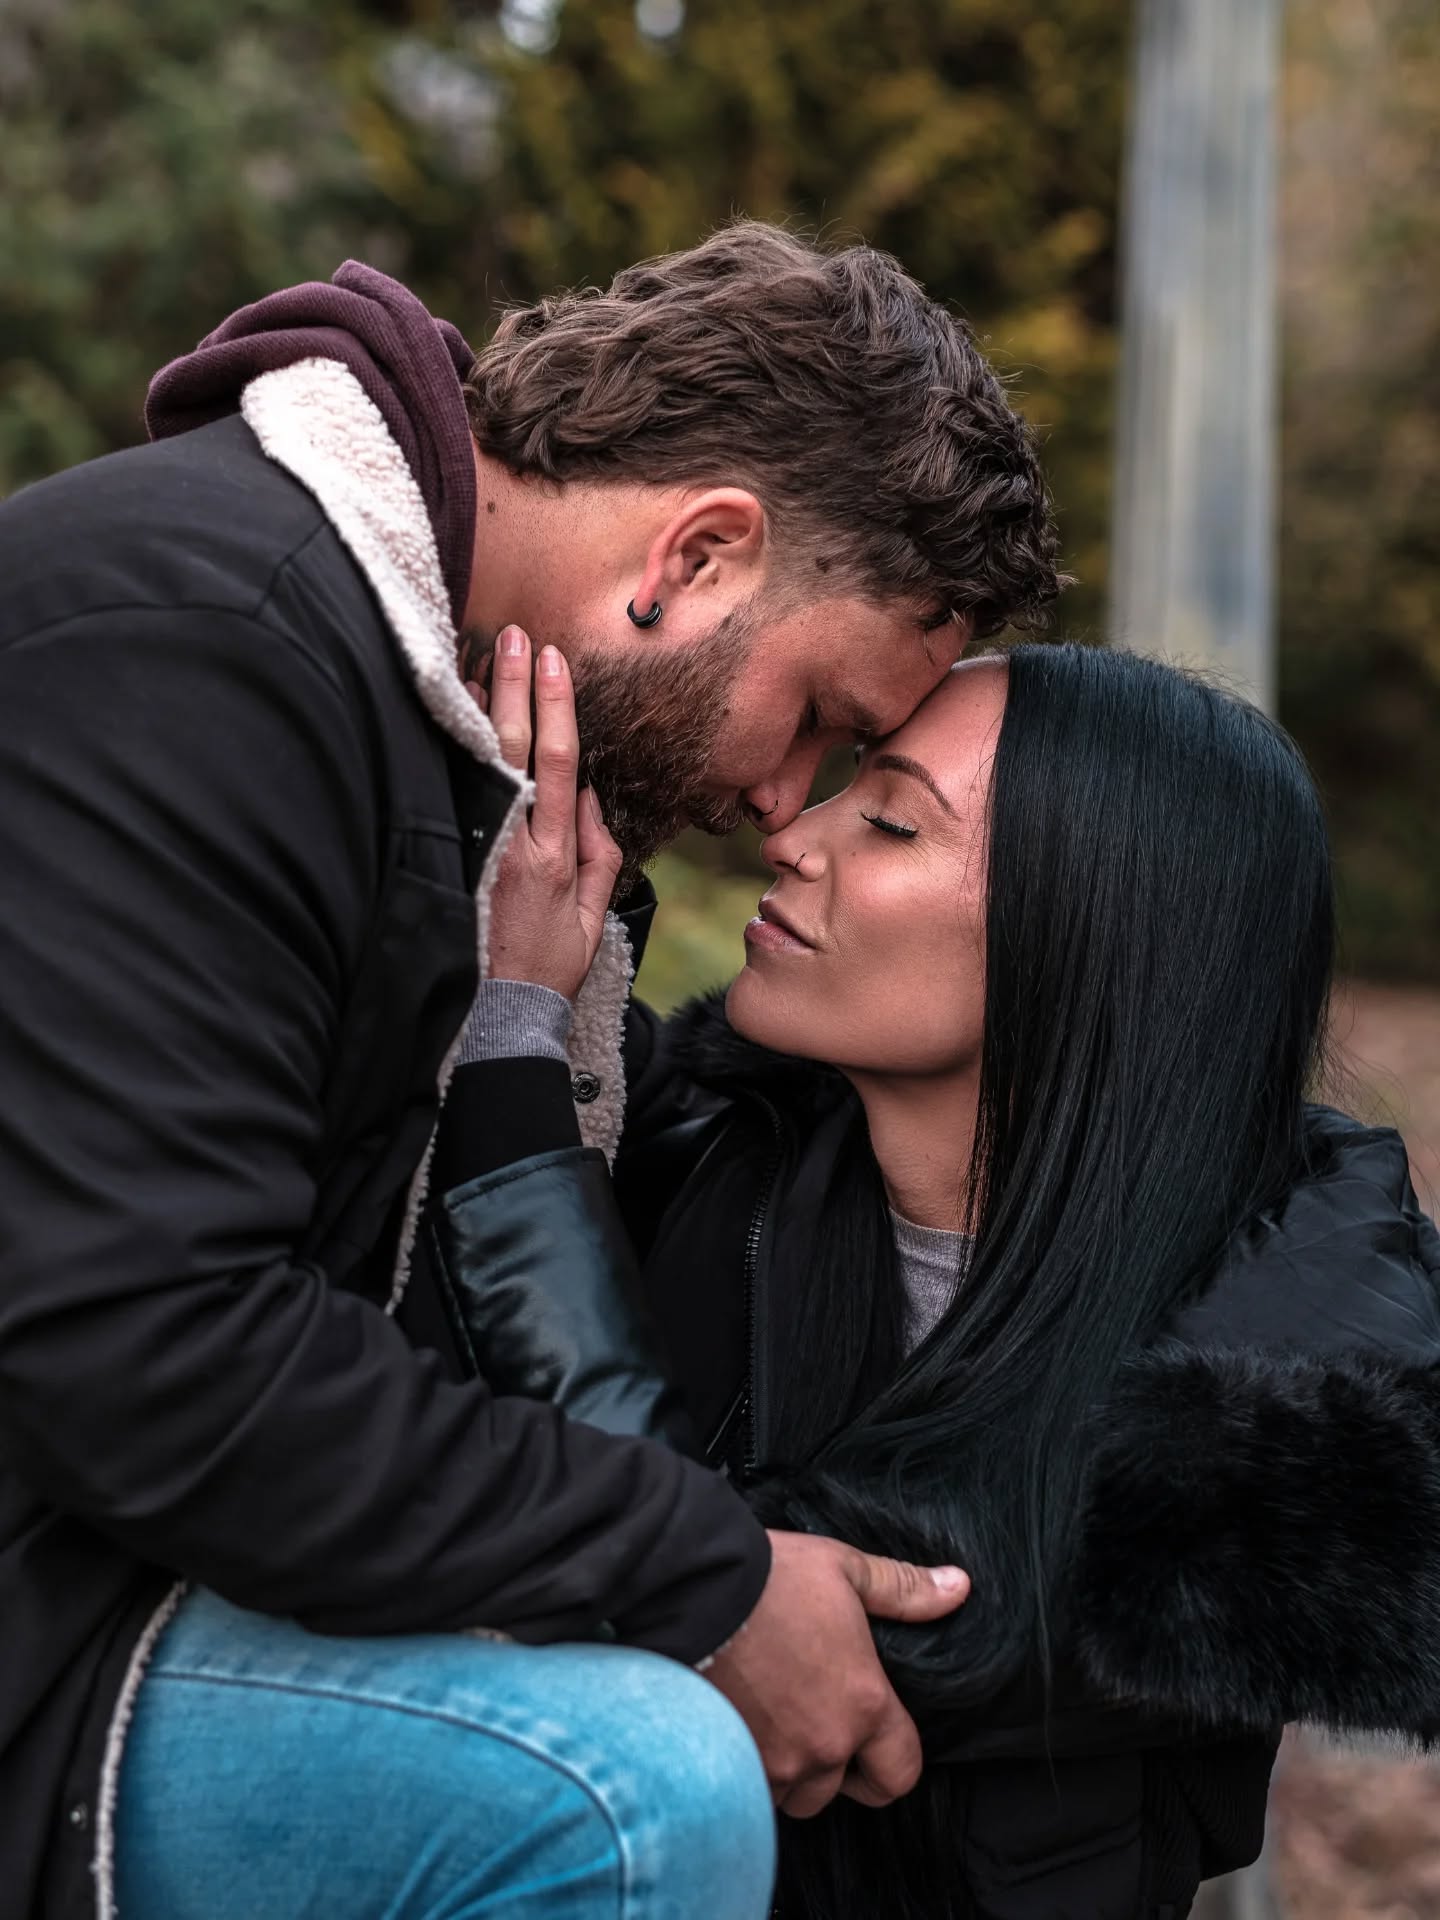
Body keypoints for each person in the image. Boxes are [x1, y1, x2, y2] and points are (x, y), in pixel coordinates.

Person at [0, 225, 1062, 1920]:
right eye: (814, 717)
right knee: (635, 1798)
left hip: (111, 1584)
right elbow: (150, 1352)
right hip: (55, 1625)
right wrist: (701, 1579)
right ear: (699, 555)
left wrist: (511, 1040)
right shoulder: (210, 645)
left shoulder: (463, 781)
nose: (785, 805)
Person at [432, 639, 1440, 1918]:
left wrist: (514, 1054)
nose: (796, 833)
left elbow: (792, 1641)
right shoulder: (708, 1148)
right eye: (846, 783)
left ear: (1087, 938)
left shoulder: (1294, 1384)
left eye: (896, 822)